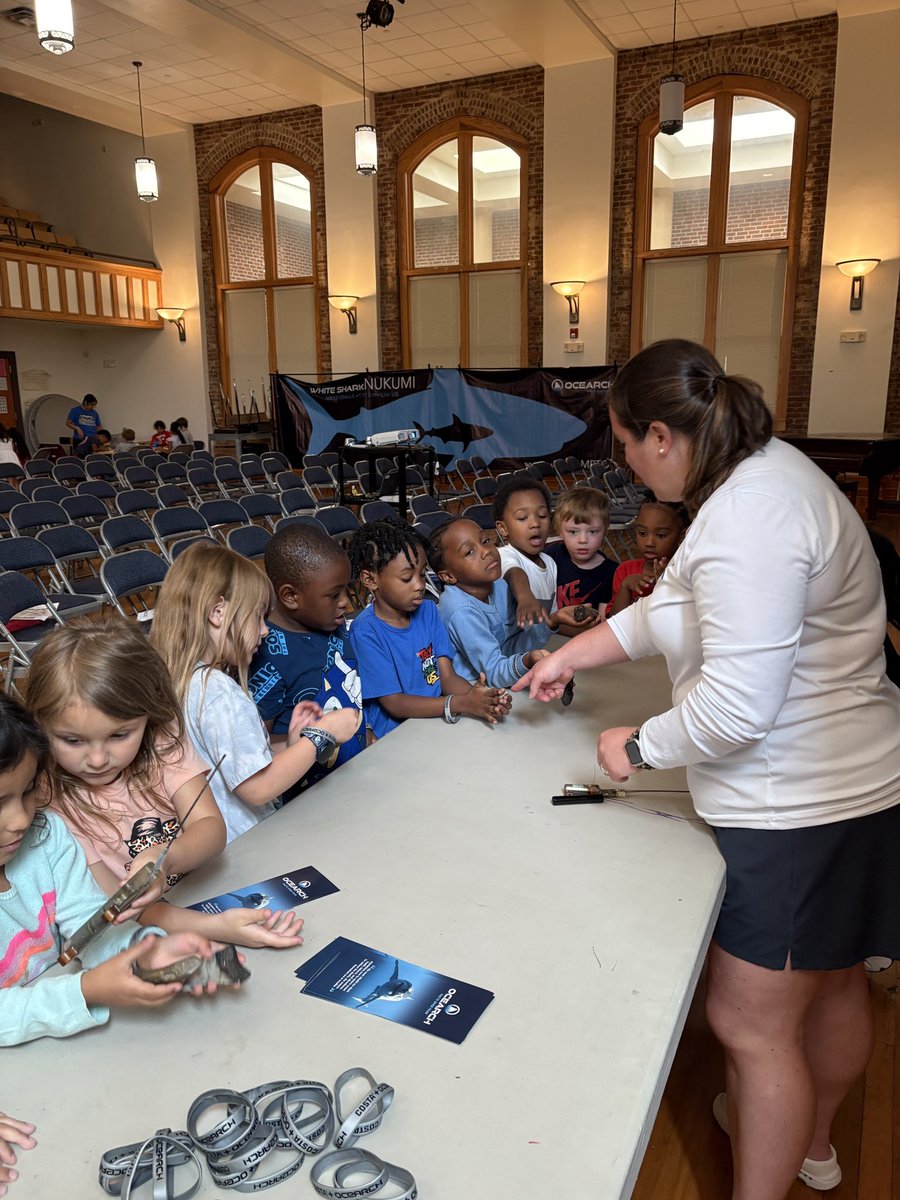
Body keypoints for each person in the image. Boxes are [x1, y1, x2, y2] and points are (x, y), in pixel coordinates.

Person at [515, 338, 900, 1200]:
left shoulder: (747, 521)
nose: (622, 464)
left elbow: (737, 708)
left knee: (750, 1025)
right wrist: (574, 653)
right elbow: (672, 611)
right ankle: (814, 1143)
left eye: (621, 443)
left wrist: (636, 745)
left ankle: (771, 1167)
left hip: (798, 805)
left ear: (660, 435)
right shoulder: (759, 473)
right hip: (854, 782)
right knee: (833, 982)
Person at [0, 690, 228, 1051]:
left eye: (28, 791)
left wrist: (146, 951)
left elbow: (87, 923)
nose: (21, 819)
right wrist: (86, 990)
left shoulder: (47, 836)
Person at [151, 542, 359, 842]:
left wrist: (292, 745)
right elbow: (257, 786)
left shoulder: (182, 681)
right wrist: (322, 734)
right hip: (245, 845)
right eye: (256, 617)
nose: (264, 630)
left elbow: (231, 764)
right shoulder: (217, 690)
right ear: (218, 613)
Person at [347, 519, 511, 738]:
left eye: (422, 574)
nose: (420, 585)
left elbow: (447, 676)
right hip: (397, 736)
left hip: (437, 722)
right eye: (407, 578)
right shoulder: (365, 632)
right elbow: (394, 703)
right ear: (370, 579)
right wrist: (460, 702)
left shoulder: (429, 611)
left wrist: (483, 698)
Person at [248, 524, 367, 789]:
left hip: (354, 778)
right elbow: (259, 748)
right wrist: (315, 738)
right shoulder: (267, 654)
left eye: (347, 589)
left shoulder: (331, 623)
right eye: (334, 594)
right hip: (307, 799)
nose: (346, 602)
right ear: (290, 596)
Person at [430, 517, 555, 688]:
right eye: (469, 552)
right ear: (448, 576)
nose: (486, 551)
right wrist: (527, 660)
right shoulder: (459, 609)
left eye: (485, 541)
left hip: (499, 679)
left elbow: (510, 648)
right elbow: (493, 672)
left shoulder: (499, 586)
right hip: (471, 689)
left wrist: (553, 621)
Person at [606, 494, 687, 615]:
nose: (649, 543)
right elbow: (613, 621)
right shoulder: (625, 570)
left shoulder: (685, 572)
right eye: (642, 533)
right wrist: (625, 587)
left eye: (661, 535)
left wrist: (669, 582)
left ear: (681, 535)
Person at [545, 487, 618, 615]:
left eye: (593, 531)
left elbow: (602, 622)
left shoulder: (611, 572)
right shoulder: (552, 556)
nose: (583, 540)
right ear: (560, 531)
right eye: (573, 532)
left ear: (605, 531)